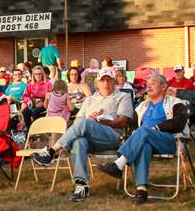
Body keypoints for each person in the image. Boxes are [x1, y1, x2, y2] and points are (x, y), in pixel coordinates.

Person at [98, 74, 189, 204]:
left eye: (153, 83)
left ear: (164, 86)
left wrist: (156, 129)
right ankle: (141, 190)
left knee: (143, 132)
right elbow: (131, 125)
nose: (149, 86)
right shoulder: (142, 106)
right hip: (147, 140)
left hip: (169, 141)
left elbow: (178, 123)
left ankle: (119, 164)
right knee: (143, 146)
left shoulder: (176, 103)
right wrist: (104, 120)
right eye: (147, 84)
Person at [48, 68, 134, 201]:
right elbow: (77, 121)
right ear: (97, 83)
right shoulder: (89, 100)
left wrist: (104, 122)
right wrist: (90, 118)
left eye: (109, 80)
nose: (106, 83)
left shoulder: (123, 96)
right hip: (91, 139)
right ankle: (82, 185)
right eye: (102, 80)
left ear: (114, 81)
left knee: (86, 123)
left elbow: (123, 121)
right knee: (79, 141)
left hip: (113, 136)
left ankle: (52, 150)